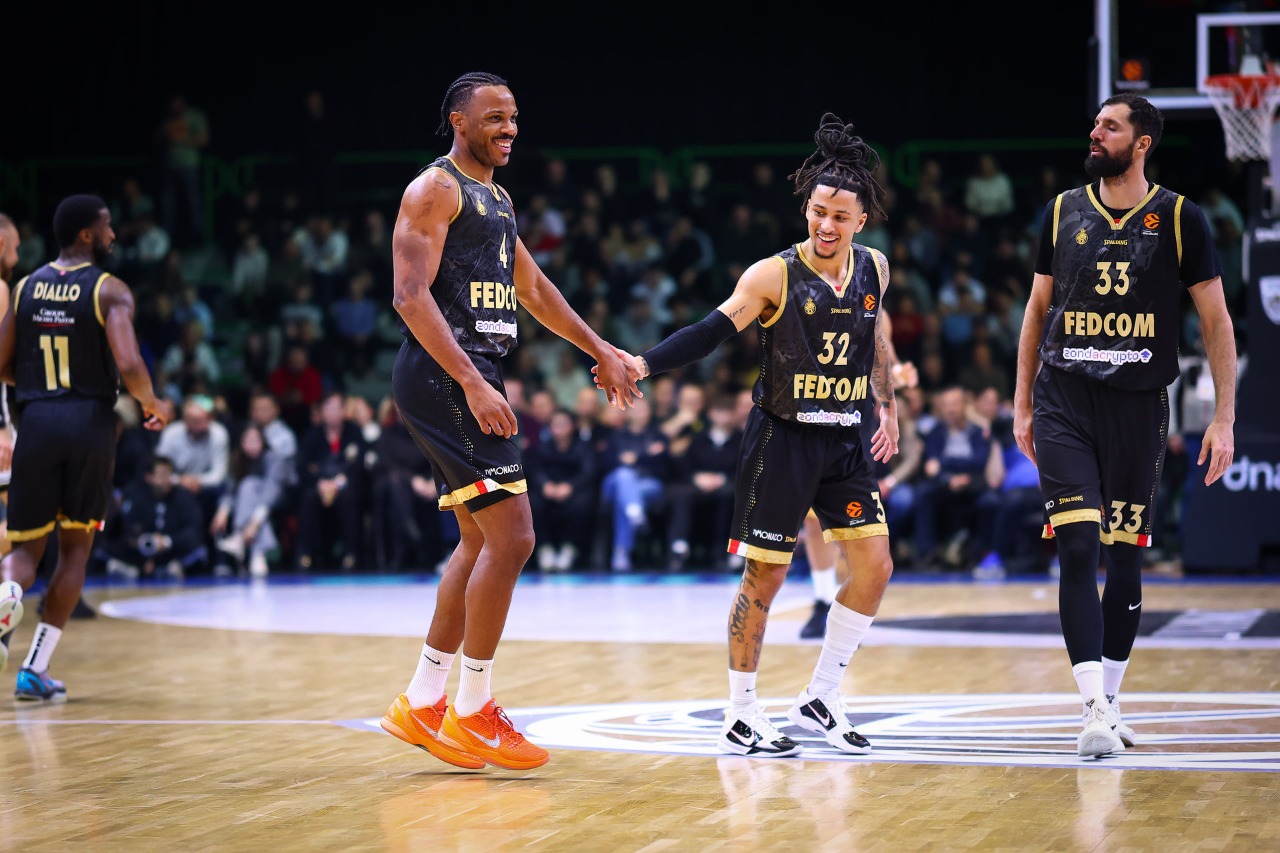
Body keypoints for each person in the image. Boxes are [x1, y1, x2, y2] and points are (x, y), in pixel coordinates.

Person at [605, 114, 899, 757]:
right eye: (817, 212)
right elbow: (710, 332)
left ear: (861, 220)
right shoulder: (773, 274)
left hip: (844, 439)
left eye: (839, 216)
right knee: (765, 575)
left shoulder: (875, 268)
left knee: (875, 566)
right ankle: (740, 714)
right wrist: (643, 364)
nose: (826, 225)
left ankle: (822, 694)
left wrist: (888, 403)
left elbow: (875, 337)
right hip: (782, 439)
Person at [378, 71, 640, 771]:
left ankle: (422, 699)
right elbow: (409, 296)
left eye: (514, 117)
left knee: (479, 539)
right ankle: (473, 710)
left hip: (468, 373)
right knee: (515, 536)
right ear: (458, 122)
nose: (509, 128)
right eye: (494, 117)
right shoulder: (434, 189)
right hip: (445, 374)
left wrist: (600, 348)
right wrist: (470, 381)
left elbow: (535, 289)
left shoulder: (496, 198)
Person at [1013, 93, 1237, 758]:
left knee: (1126, 555)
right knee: (1078, 546)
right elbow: (1036, 310)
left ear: (1142, 143)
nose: (1095, 132)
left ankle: (1110, 700)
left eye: (1109, 126)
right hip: (1064, 399)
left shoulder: (1180, 218)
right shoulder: (1061, 211)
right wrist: (1022, 403)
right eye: (1096, 123)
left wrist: (1224, 415)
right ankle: (1091, 708)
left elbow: (1216, 319)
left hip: (1138, 406)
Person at [0, 194, 168, 699]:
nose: (114, 235)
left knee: (25, 549)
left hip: (36, 422)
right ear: (87, 235)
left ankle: (7, 593)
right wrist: (151, 403)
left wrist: (39, 386)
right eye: (108, 226)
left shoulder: (25, 287)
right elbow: (130, 363)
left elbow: (1, 363)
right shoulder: (108, 289)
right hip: (89, 425)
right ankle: (34, 669)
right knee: (74, 550)